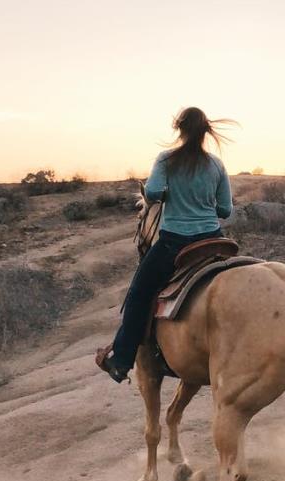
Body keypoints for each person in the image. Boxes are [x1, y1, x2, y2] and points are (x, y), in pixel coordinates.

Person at [97, 107, 234, 383]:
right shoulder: (216, 165)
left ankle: (121, 361)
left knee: (138, 293)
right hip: (215, 241)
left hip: (176, 243)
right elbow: (226, 210)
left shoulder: (166, 160)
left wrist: (170, 192)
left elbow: (152, 193)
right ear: (205, 131)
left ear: (179, 129)